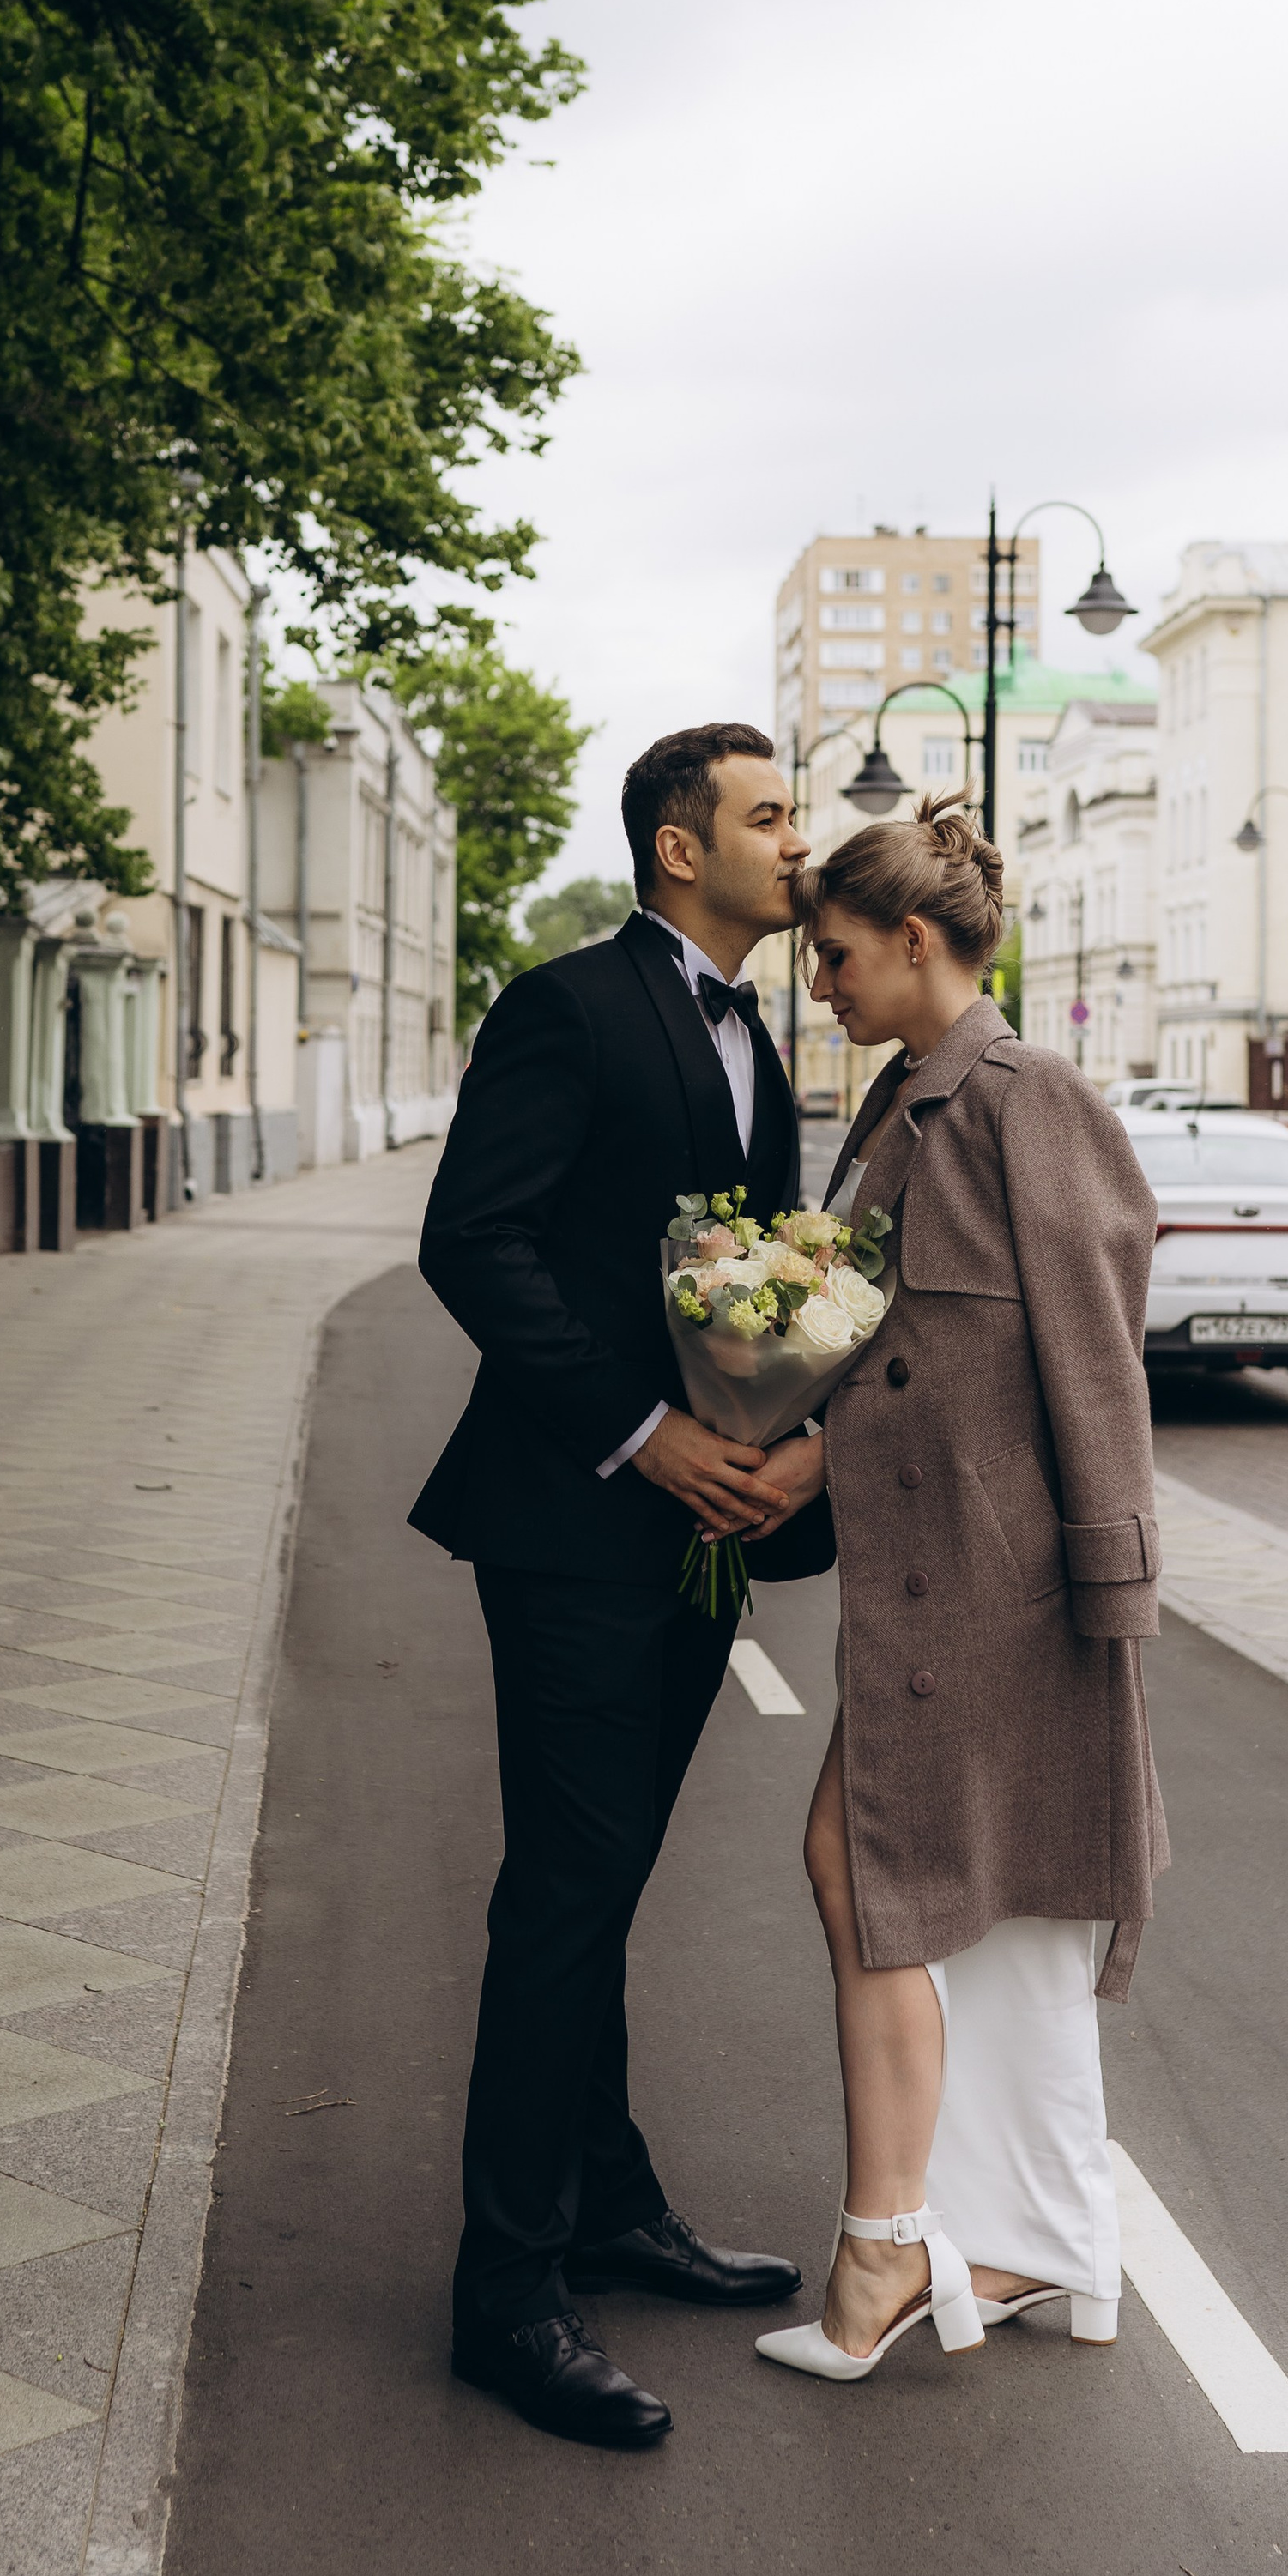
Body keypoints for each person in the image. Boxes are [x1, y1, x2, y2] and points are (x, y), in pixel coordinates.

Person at [413, 723, 813, 2447]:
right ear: (677, 847)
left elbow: (751, 1279)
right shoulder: (567, 1007)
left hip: (697, 1534)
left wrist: (777, 1448)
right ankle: (505, 2295)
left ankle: (607, 2202)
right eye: (769, 814)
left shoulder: (759, 1038)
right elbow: (470, 1241)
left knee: (607, 1881)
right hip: (573, 1520)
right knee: (564, 1894)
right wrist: (645, 1433)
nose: (797, 842)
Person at [735, 795, 1167, 2385]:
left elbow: (1094, 1364)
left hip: (1000, 1590)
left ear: (917, 942)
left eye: (837, 960)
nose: (820, 988)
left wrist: (1116, 1592)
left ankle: (892, 2254)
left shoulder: (1022, 1098)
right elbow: (877, 1343)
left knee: (868, 1867)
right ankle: (1033, 2243)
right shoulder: (896, 1109)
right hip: (924, 1583)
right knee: (925, 1895)